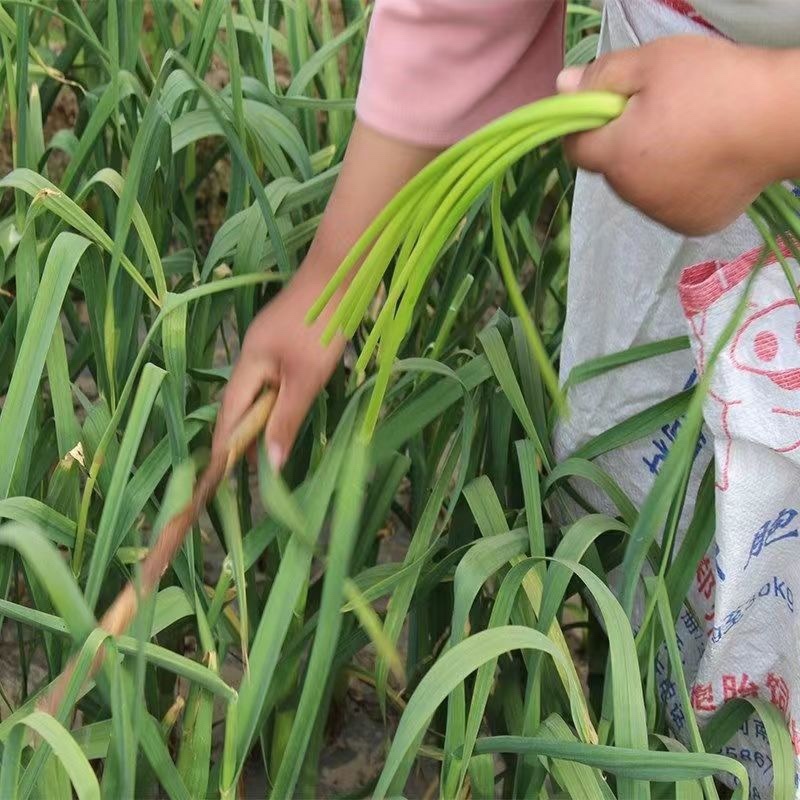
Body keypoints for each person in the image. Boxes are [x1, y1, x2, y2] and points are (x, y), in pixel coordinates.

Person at [214, 1, 800, 795]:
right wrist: (334, 276)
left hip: (738, 144)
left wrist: (769, 113)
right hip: (668, 182)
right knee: (682, 596)